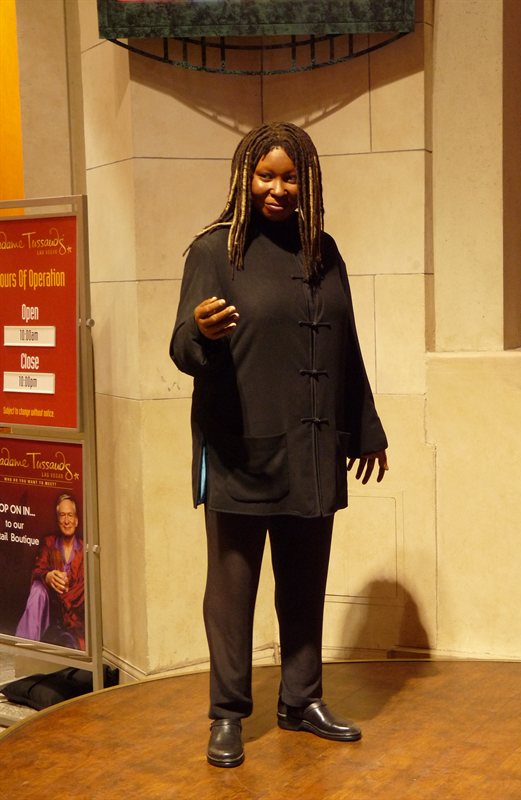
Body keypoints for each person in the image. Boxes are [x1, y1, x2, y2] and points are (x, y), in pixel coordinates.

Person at [170, 121, 388, 768]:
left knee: (304, 583)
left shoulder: (323, 249)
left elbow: (344, 346)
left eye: (290, 176)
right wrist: (202, 334)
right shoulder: (215, 251)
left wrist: (366, 428)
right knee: (231, 592)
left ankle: (301, 700)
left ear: (308, 181)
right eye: (266, 175)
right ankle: (228, 714)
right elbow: (182, 347)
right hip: (240, 452)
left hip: (312, 449)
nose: (278, 188)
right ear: (244, 177)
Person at [15, 494, 85, 650]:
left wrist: (67, 593)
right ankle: (24, 649)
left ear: (76, 520)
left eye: (70, 515)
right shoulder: (49, 542)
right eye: (62, 515)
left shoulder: (84, 549)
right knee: (38, 589)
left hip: (75, 619)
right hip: (50, 613)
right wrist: (47, 577)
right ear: (57, 520)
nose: (66, 520)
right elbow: (37, 569)